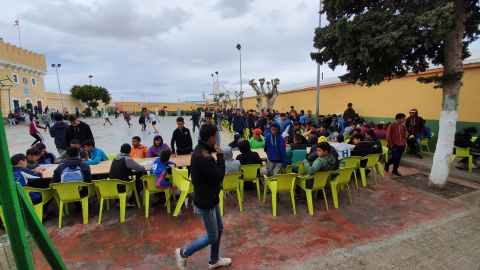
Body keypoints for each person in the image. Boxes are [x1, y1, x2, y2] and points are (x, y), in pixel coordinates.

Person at [175, 124, 231, 270]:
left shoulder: (200, 150)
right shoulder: (205, 157)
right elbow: (219, 176)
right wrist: (220, 156)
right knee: (212, 235)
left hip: (210, 197)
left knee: (219, 228)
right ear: (211, 138)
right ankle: (183, 253)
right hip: (206, 201)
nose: (217, 139)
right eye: (216, 136)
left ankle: (214, 260)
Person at [11, 153, 54, 221]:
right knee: (51, 190)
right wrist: (39, 171)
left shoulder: (9, 172)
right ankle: (43, 213)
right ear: (21, 162)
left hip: (14, 198)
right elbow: (38, 176)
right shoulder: (23, 170)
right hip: (27, 197)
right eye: (25, 161)